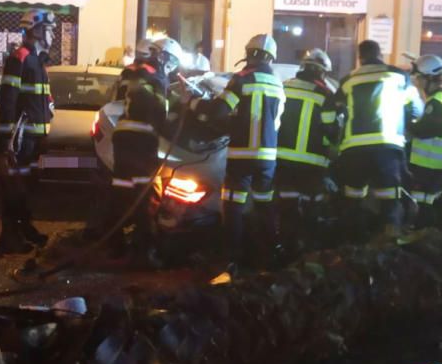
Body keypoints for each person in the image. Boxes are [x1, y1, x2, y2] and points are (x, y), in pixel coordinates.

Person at [193, 34, 285, 275]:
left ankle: (231, 260)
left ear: (249, 53)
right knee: (265, 206)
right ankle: (267, 258)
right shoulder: (277, 83)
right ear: (271, 58)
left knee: (233, 207)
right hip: (268, 157)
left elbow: (220, 111)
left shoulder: (242, 79)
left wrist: (195, 104)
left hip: (242, 155)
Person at [332, 40, 421, 239]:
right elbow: (417, 109)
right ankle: (390, 242)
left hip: (354, 149)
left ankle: (352, 244)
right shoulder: (399, 76)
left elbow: (336, 110)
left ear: (360, 57)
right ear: (380, 54)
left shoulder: (348, 80)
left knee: (353, 198)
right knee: (390, 198)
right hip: (388, 147)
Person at [108, 37, 178, 264]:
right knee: (145, 195)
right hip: (142, 140)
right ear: (163, 57)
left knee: (120, 191)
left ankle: (115, 245)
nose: (171, 68)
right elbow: (160, 112)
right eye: (172, 62)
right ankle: (143, 253)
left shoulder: (129, 71)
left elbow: (117, 100)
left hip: (122, 136)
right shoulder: (156, 75)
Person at [0, 10, 56, 254]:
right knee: (14, 189)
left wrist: (50, 110)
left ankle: (24, 228)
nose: (52, 35)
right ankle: (8, 237)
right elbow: (7, 101)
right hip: (20, 140)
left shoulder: (39, 61)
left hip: (35, 139)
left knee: (27, 188)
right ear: (37, 31)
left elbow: (43, 98)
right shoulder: (19, 58)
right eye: (49, 30)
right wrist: (6, 140)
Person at [275, 48, 340, 258]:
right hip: (311, 162)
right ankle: (307, 250)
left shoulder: (283, 87)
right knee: (313, 205)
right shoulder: (325, 95)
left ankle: (283, 248)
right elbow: (331, 131)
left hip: (281, 159)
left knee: (285, 205)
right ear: (322, 73)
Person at [407, 54, 442, 230]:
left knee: (422, 203)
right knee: (425, 202)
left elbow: (426, 131)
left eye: (419, 78)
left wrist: (407, 122)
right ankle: (425, 234)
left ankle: (422, 236)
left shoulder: (436, 103)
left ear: (429, 78)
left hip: (431, 164)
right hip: (440, 163)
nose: (417, 82)